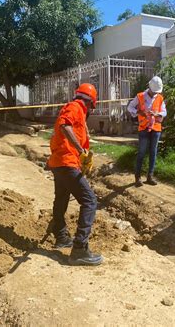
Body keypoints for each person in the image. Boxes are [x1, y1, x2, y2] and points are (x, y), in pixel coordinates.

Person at [47, 83, 103, 266]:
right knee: (90, 201)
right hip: (66, 162)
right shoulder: (75, 107)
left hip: (60, 163)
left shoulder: (74, 108)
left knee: (61, 199)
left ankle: (62, 237)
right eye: (91, 108)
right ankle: (79, 249)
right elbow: (65, 126)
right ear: (90, 103)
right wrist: (80, 151)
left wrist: (81, 157)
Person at [127, 76, 167, 187]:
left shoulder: (160, 98)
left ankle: (150, 176)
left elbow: (164, 112)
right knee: (141, 152)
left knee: (153, 152)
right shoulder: (140, 96)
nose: (155, 93)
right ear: (149, 88)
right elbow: (130, 107)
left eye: (156, 92)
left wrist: (157, 114)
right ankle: (138, 177)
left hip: (156, 128)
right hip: (144, 128)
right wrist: (138, 112)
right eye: (154, 91)